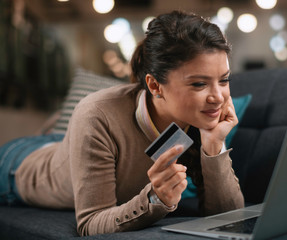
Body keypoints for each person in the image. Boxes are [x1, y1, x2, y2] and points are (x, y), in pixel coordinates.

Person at [0, 10, 244, 236]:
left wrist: (214, 146)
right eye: (199, 84)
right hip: (20, 166)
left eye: (224, 80)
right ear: (155, 86)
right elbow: (90, 224)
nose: (217, 97)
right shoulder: (97, 112)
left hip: (72, 149)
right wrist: (155, 200)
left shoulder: (200, 118)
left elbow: (230, 220)